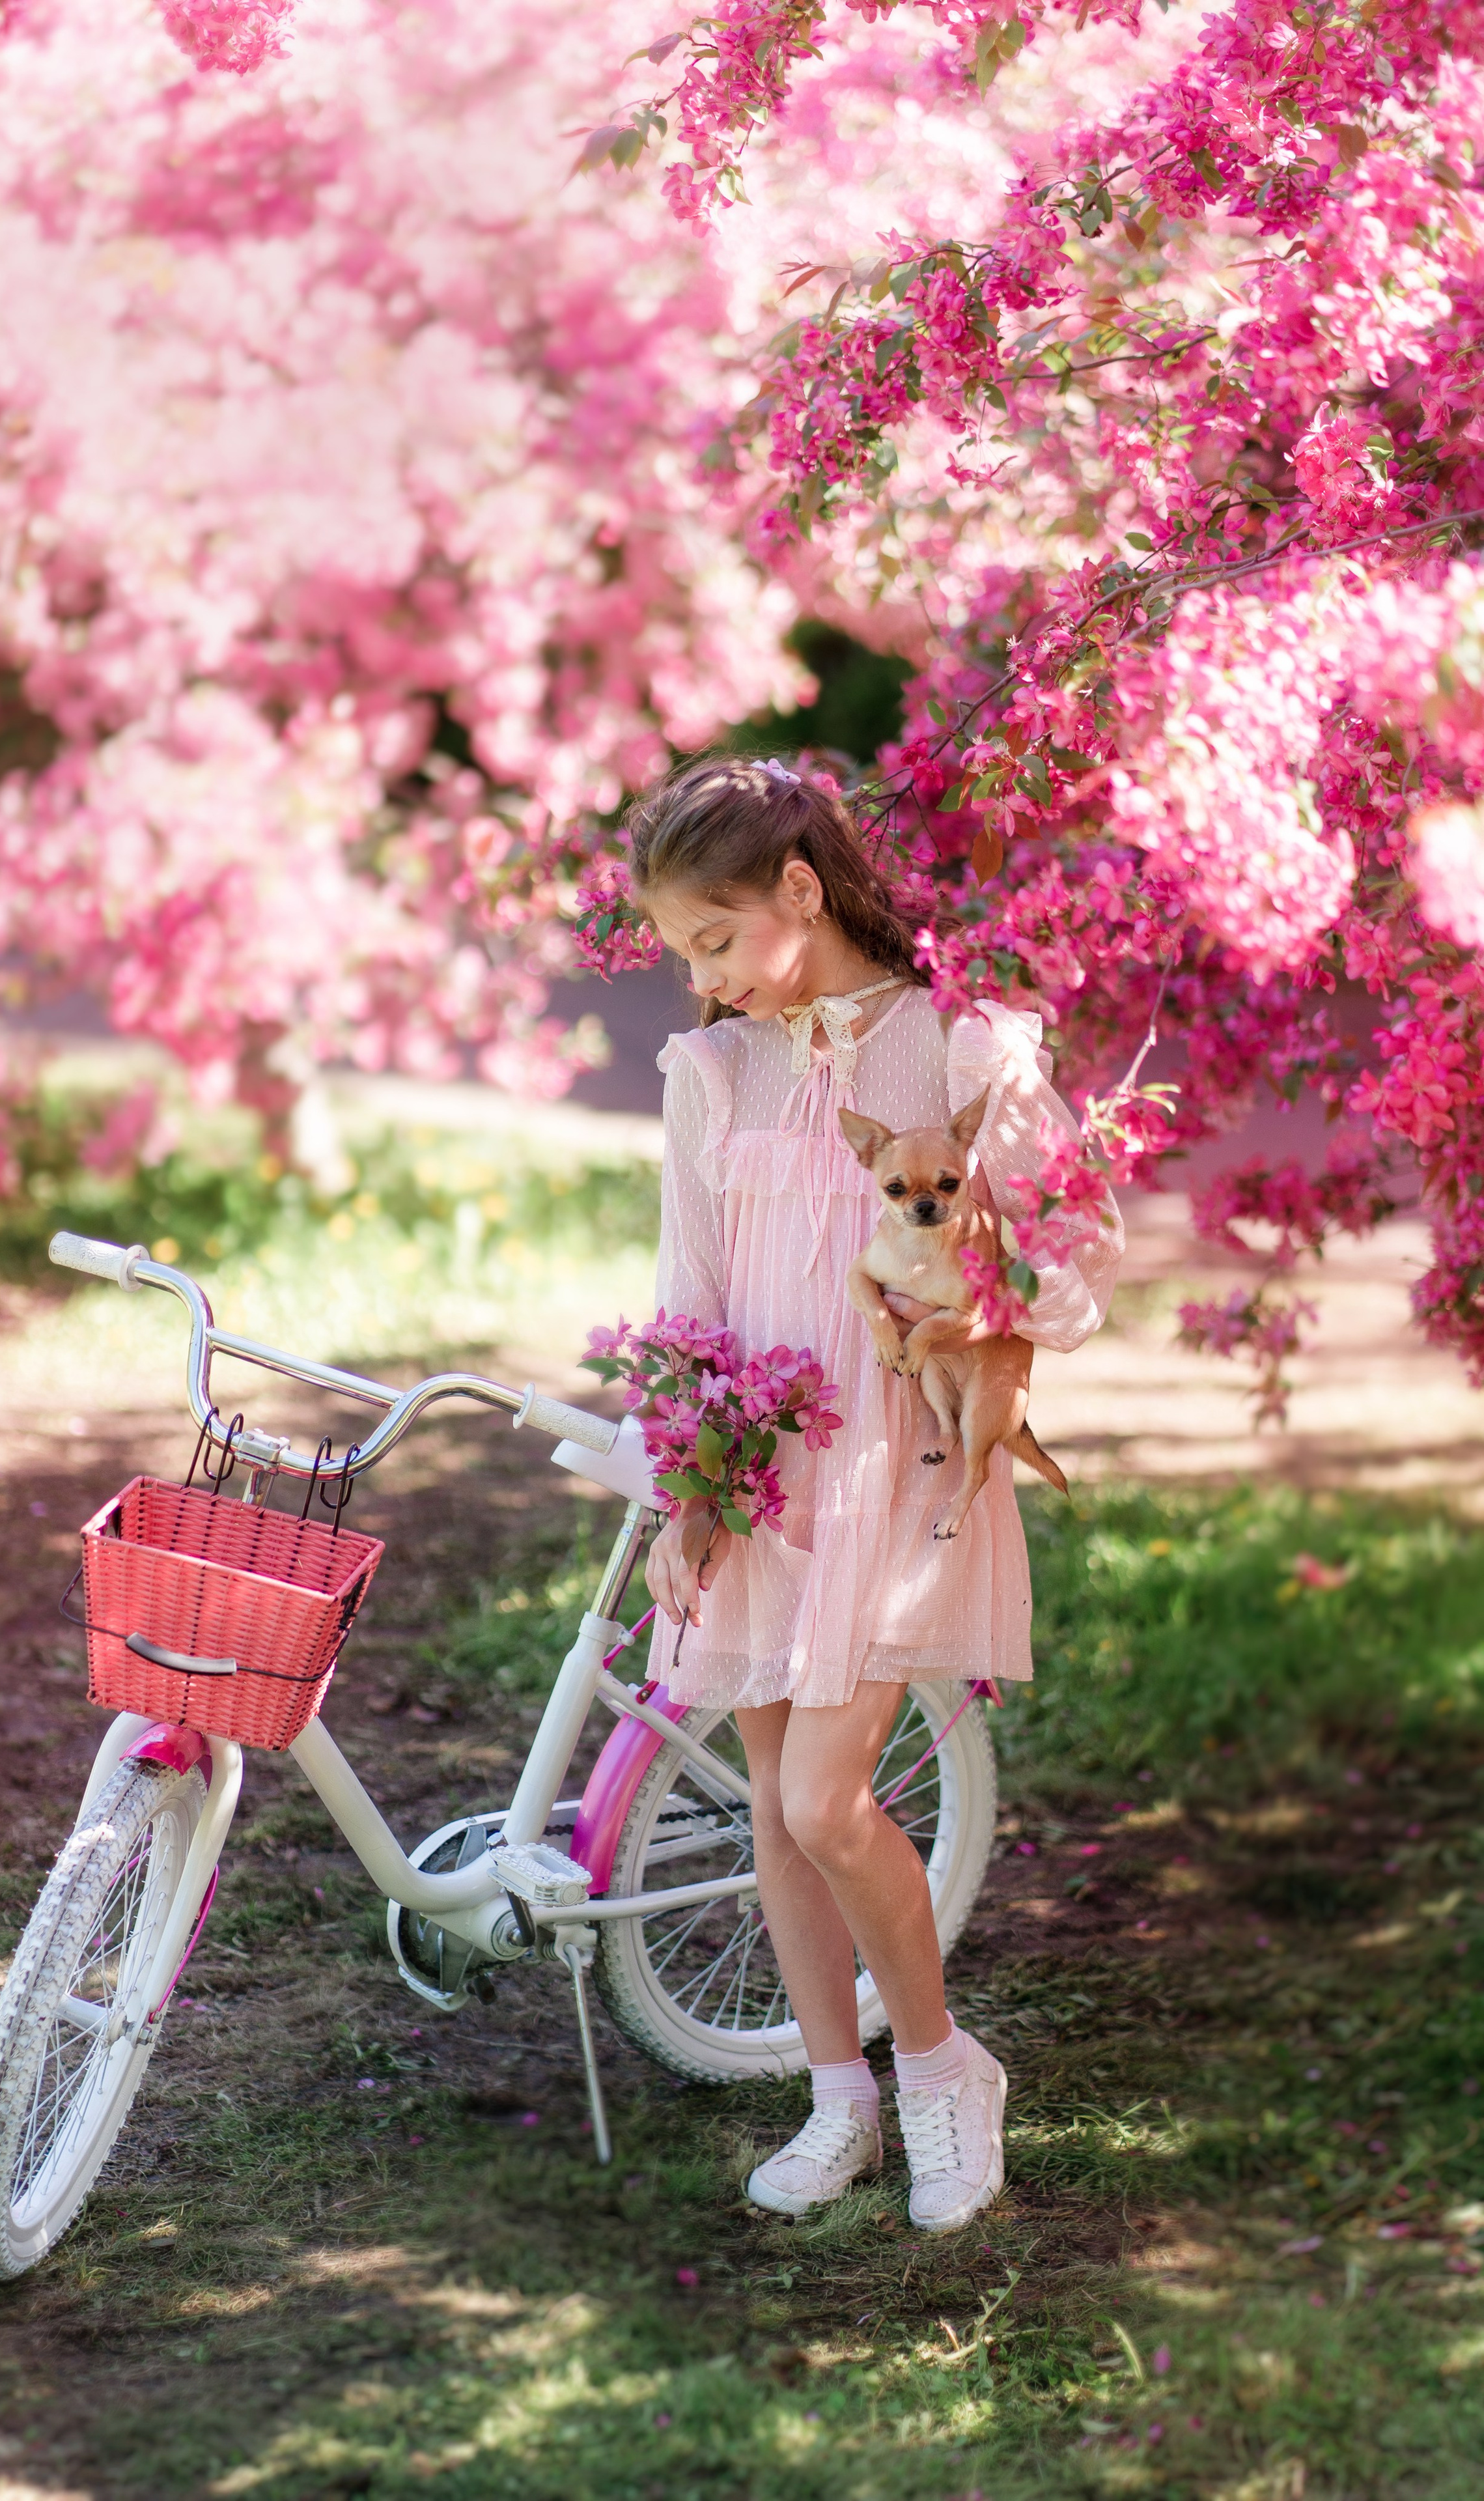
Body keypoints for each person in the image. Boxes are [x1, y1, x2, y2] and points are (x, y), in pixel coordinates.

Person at [632, 754, 1121, 2231]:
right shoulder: (713, 1075)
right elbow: (685, 1294)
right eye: (681, 957)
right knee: (775, 1822)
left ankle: (939, 2069)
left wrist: (981, 1318)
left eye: (716, 941)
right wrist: (684, 1487)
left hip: (892, 1466)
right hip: (758, 1471)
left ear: (797, 888)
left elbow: (1077, 1256)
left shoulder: (959, 1052)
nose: (705, 983)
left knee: (823, 1798)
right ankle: (836, 2096)